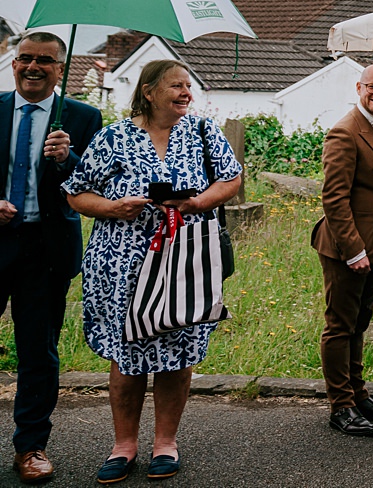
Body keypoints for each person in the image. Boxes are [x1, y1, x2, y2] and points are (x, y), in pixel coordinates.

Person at [61, 59, 242, 483]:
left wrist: (199, 202)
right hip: (121, 261)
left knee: (176, 349)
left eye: (188, 86)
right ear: (149, 91)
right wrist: (112, 207)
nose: (186, 93)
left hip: (183, 260)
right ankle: (123, 446)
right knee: (128, 355)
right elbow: (76, 193)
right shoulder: (114, 136)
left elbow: (231, 179)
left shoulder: (201, 131)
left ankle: (166, 443)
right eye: (177, 86)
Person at [1, 31, 102, 484]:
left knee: (37, 351)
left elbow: (99, 182)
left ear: (61, 70)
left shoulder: (81, 117)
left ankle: (31, 447)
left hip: (46, 249)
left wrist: (69, 157)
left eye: (45, 60)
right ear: (14, 63)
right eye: (25, 58)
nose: (33, 67)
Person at [311, 63, 373, 438]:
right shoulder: (344, 132)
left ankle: (359, 395)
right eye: (372, 87)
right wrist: (353, 250)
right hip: (345, 247)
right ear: (359, 87)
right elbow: (334, 198)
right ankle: (341, 406)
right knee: (339, 326)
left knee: (359, 323)